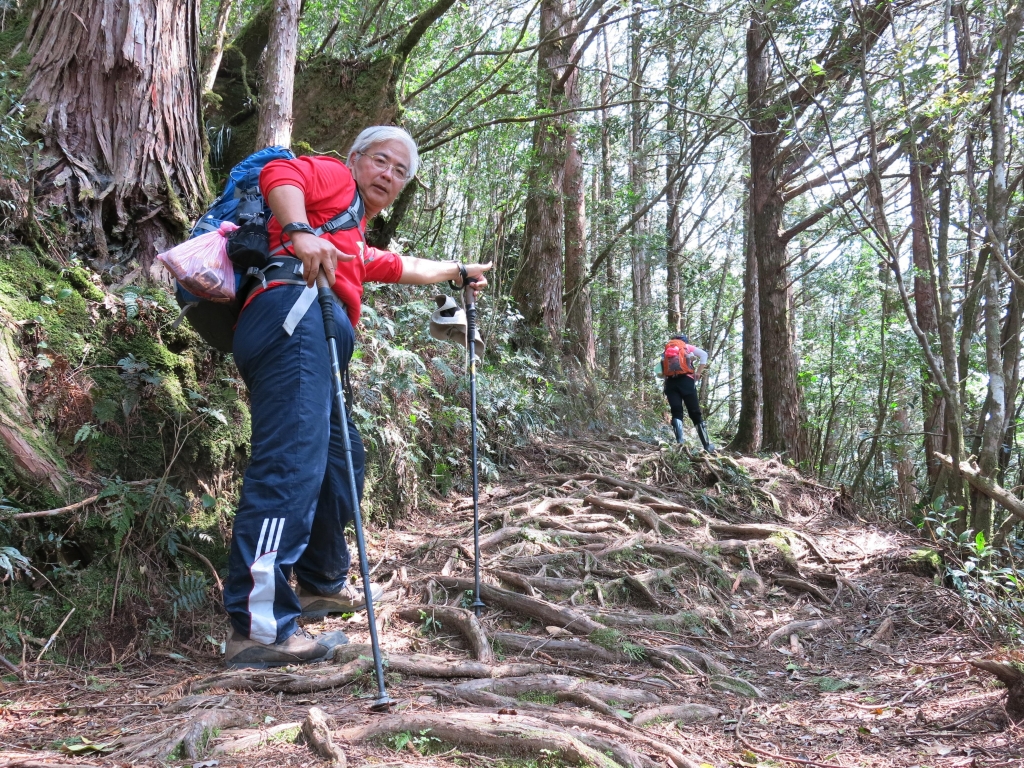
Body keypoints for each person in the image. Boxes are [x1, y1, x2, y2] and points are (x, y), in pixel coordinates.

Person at [223, 126, 491, 668]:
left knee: (342, 464)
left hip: (312, 335)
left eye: (399, 172)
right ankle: (259, 628)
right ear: (356, 159)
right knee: (291, 466)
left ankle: (320, 583)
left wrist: (458, 272)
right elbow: (282, 172)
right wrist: (299, 232)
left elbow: (397, 266)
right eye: (381, 161)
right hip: (292, 317)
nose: (387, 175)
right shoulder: (332, 178)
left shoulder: (348, 239)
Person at [660, 334, 715, 452]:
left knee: (676, 412)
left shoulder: (666, 351)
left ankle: (680, 443)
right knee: (695, 413)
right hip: (686, 381)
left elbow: (659, 371)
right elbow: (704, 355)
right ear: (684, 342)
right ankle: (707, 446)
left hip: (671, 383)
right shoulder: (687, 347)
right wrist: (698, 372)